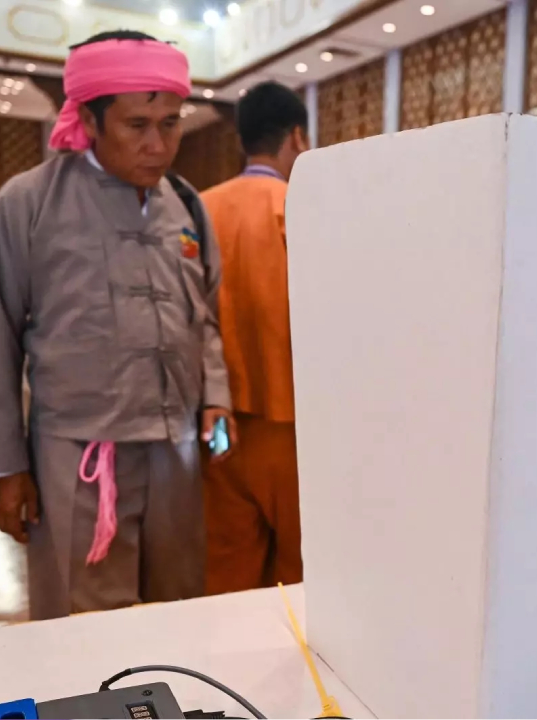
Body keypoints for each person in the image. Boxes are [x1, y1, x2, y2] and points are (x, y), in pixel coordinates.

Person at [0, 31, 234, 620]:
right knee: (85, 620)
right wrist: (6, 466)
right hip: (77, 456)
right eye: (137, 125)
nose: (158, 145)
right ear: (89, 119)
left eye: (171, 123)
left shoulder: (186, 204)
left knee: (178, 609)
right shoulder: (29, 203)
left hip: (175, 451)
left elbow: (204, 314)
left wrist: (215, 395)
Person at [198, 81, 309, 594]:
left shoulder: (199, 209)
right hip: (291, 424)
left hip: (219, 423)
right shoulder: (298, 206)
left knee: (229, 571)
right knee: (301, 574)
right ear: (297, 136)